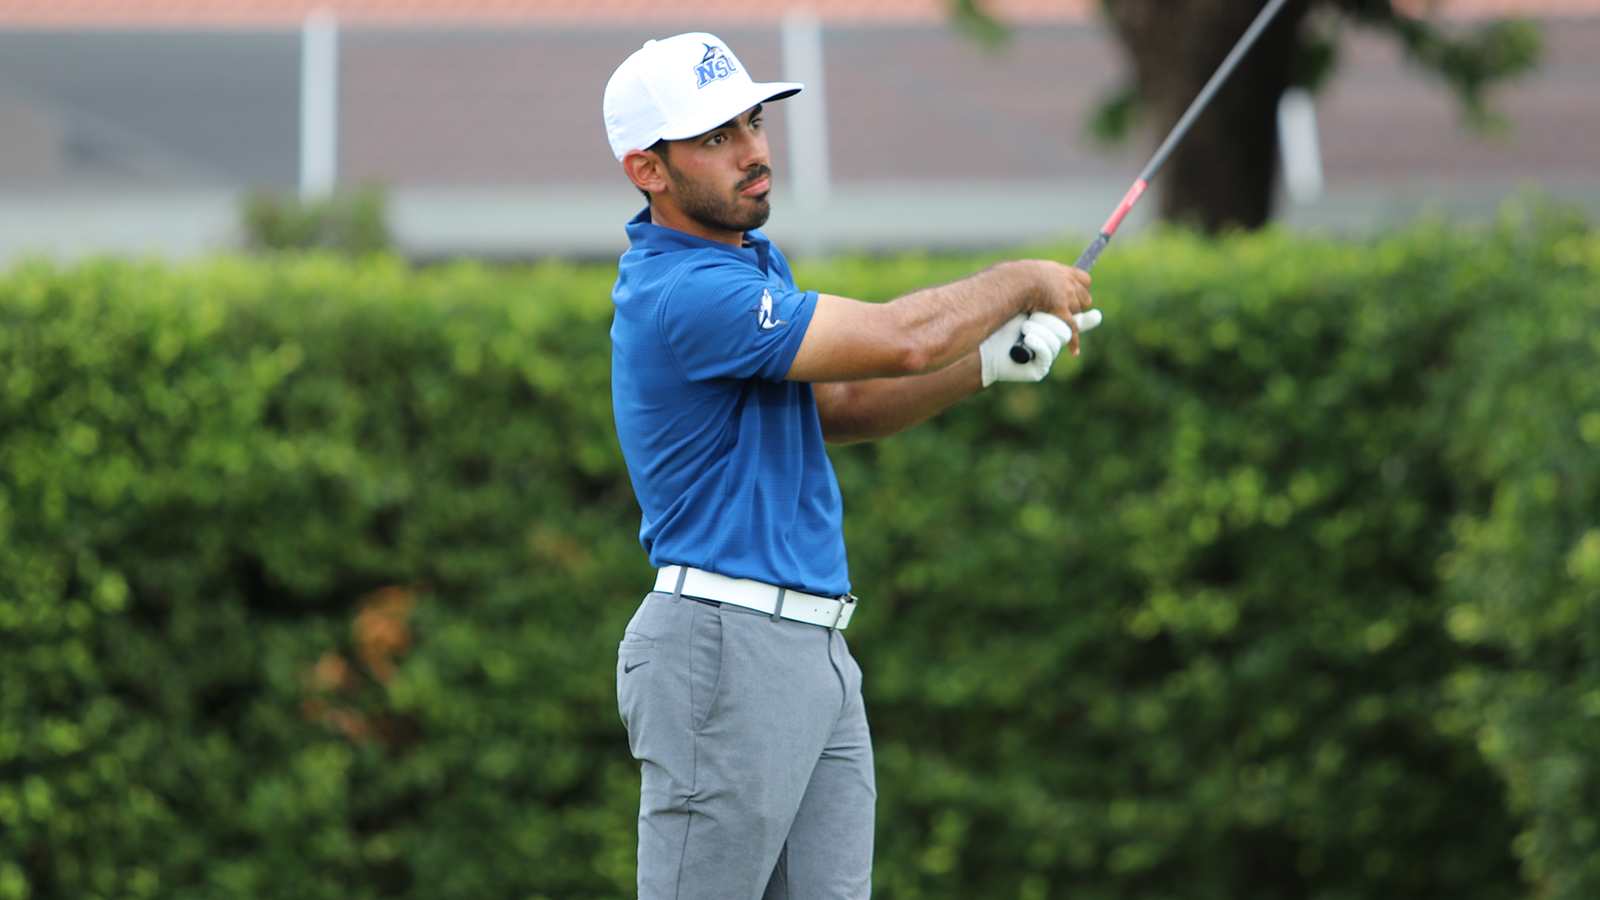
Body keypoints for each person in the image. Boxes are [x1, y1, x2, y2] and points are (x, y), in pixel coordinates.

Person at [602, 32, 1093, 900]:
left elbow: (844, 405)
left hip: (813, 648)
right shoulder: (686, 291)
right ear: (648, 169)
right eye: (717, 138)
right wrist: (1018, 280)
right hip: (723, 645)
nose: (753, 152)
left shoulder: (748, 266)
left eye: (753, 123)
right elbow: (903, 341)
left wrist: (983, 363)